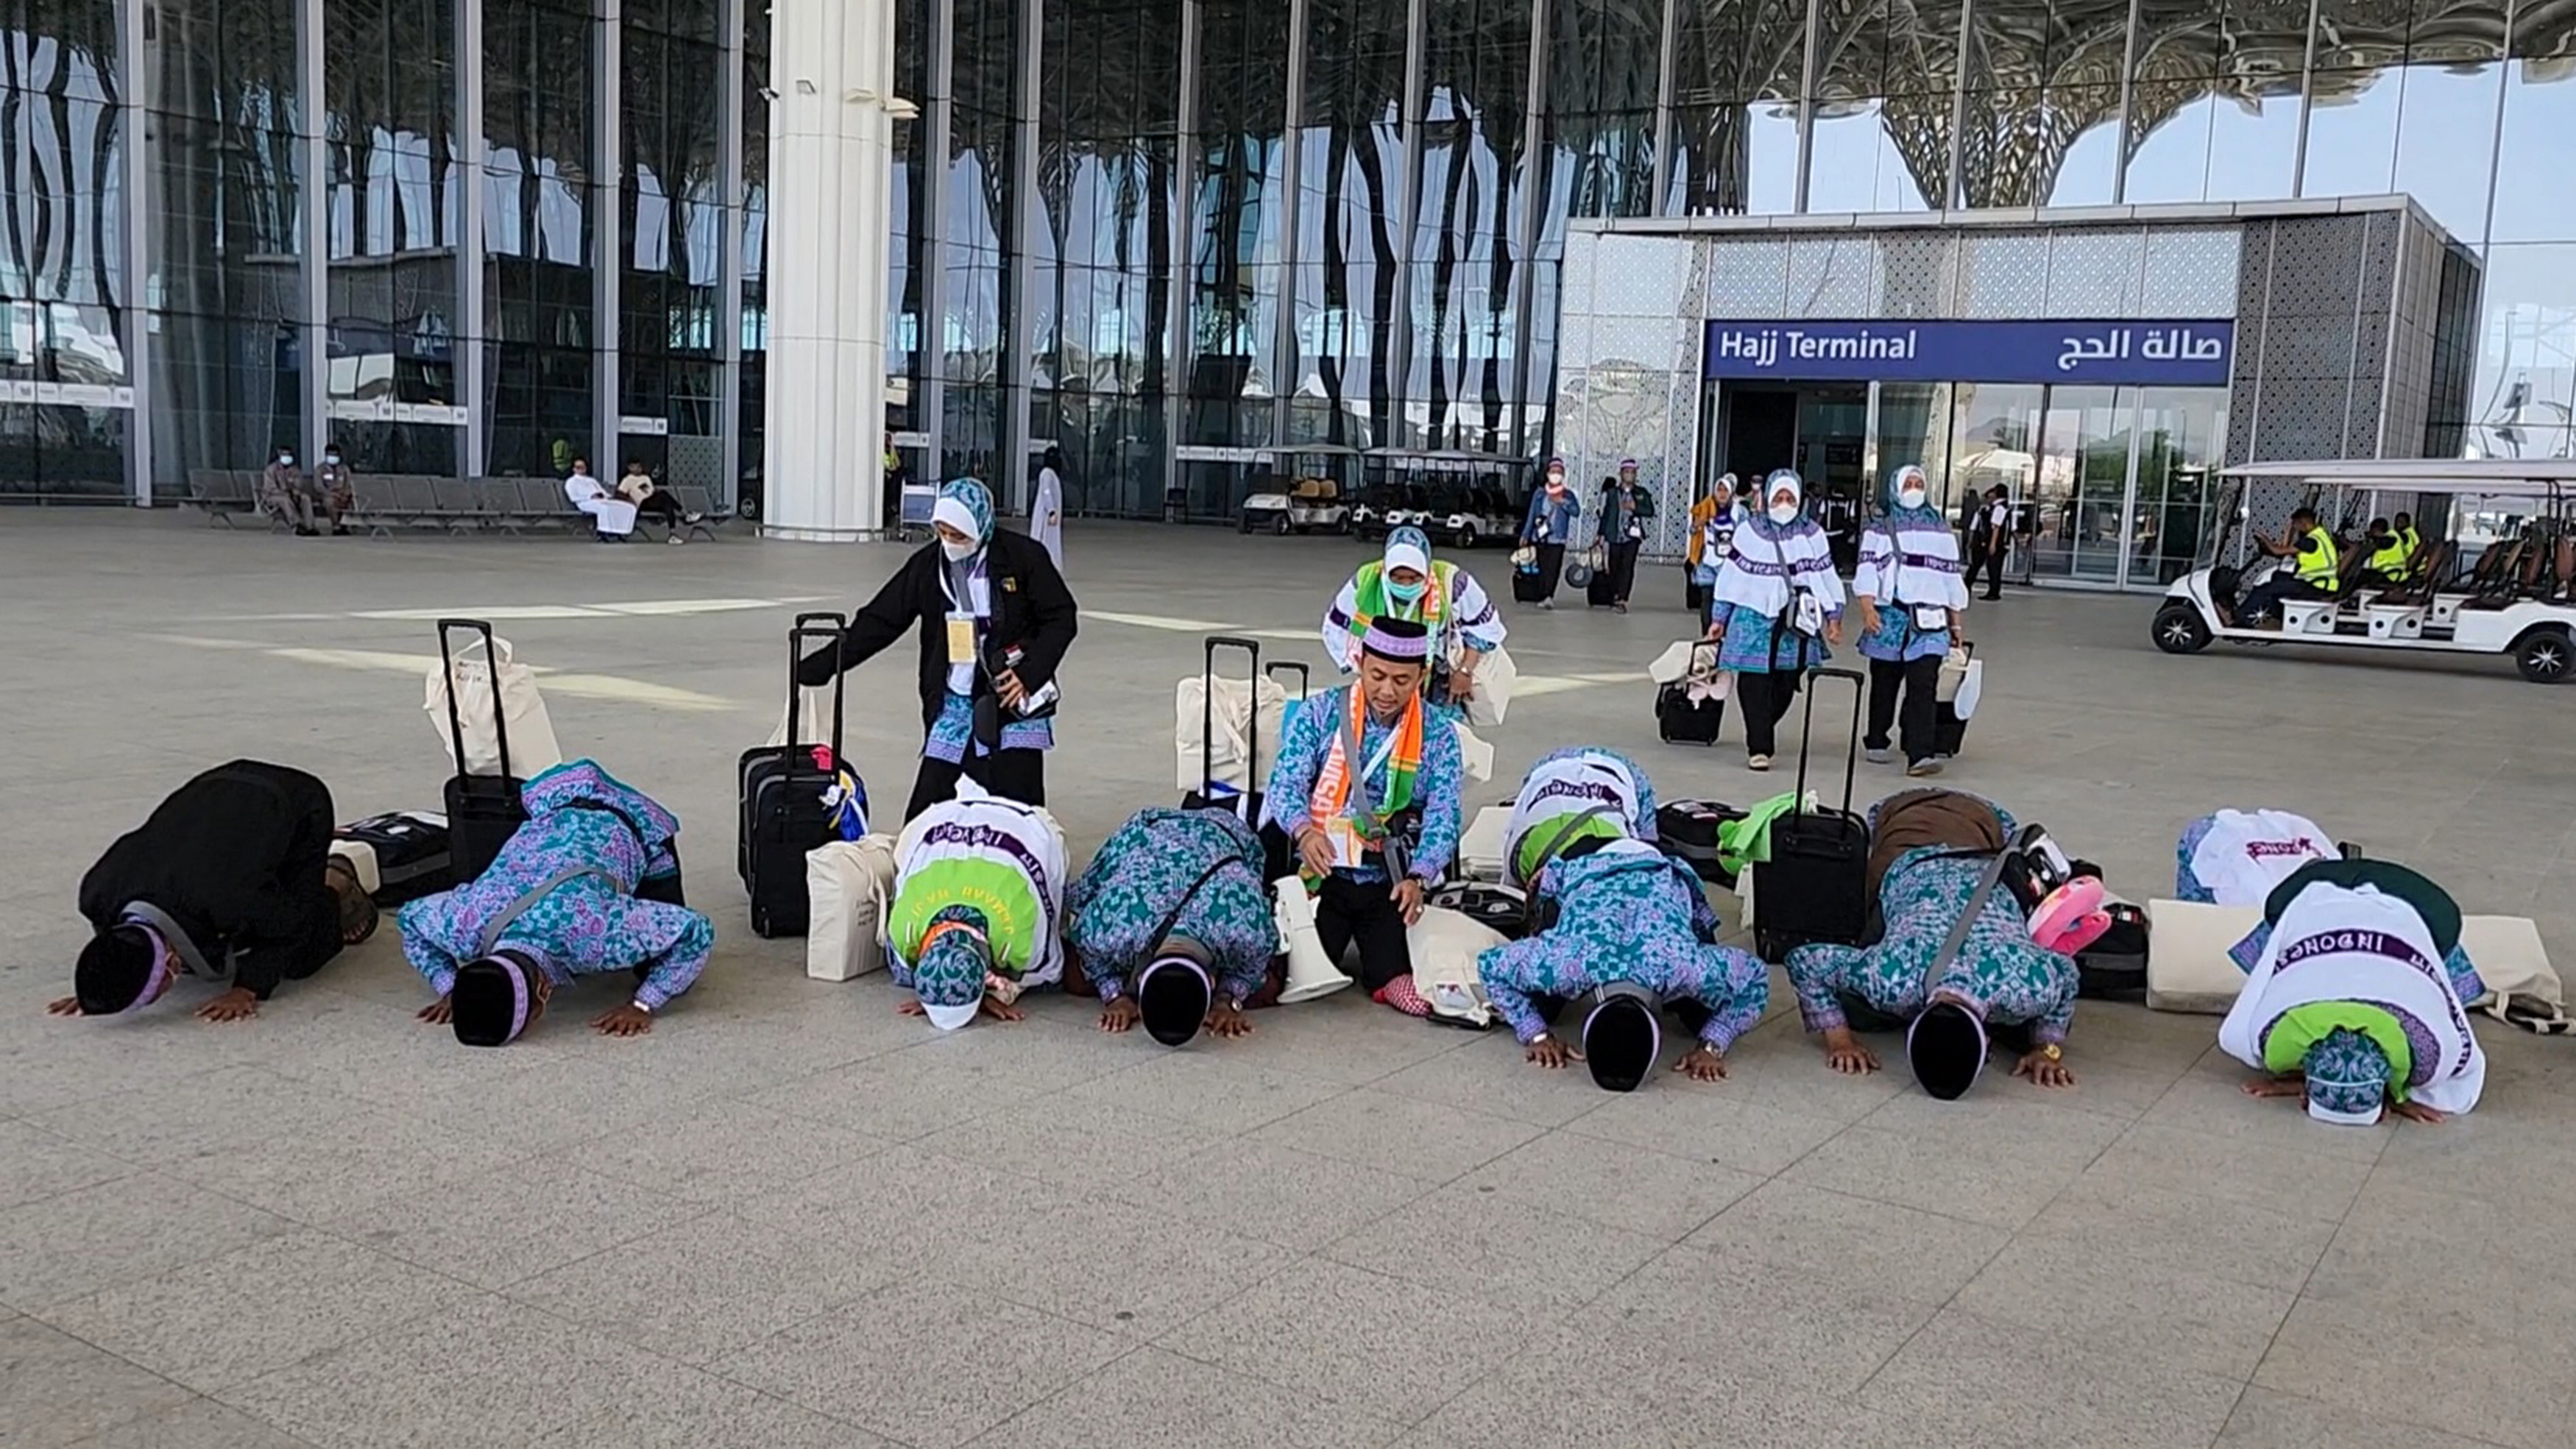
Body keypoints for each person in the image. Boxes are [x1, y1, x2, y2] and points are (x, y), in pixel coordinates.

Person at [798, 477, 1079, 821]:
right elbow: (882, 620)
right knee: (928, 808)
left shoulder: (1023, 558)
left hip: (1012, 700)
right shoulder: (928, 566)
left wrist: (1029, 673)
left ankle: (1022, 867)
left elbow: (1061, 617)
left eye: (959, 535)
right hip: (954, 701)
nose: (949, 543)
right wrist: (825, 664)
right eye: (942, 532)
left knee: (1017, 807)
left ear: (982, 526)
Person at [1785, 791, 2078, 1097]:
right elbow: (1805, 960)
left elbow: (1806, 961)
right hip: (1934, 860)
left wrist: (2048, 1048)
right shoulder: (1891, 980)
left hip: (1964, 860)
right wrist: (1840, 1040)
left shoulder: (2025, 990)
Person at [404, 760, 710, 1045]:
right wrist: (453, 987)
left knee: (660, 967)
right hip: (551, 801)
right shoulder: (464, 923)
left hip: (630, 818)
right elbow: (410, 918)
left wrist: (644, 1003)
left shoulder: (598, 937)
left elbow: (696, 930)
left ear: (542, 992)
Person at [54, 760, 375, 1023]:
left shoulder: (229, 900)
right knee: (243, 916)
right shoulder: (97, 894)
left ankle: (337, 882)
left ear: (168, 964)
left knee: (299, 954)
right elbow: (115, 948)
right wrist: (97, 991)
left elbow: (288, 928)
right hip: (218, 785)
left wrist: (247, 988)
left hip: (295, 799)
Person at [1264, 616, 1464, 1017]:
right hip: (1322, 873)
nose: (1387, 691)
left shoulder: (1439, 734)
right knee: (1290, 965)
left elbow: (1445, 813)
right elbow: (1284, 785)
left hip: (1389, 879)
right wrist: (1304, 832)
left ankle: (1386, 972)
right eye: (1377, 676)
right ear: (1360, 663)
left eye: (1402, 681)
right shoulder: (1320, 713)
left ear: (1421, 676)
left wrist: (1419, 877)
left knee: (1389, 970)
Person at [1478, 830, 1769, 1091]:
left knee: (1701, 1014)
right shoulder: (1568, 964)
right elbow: (1490, 965)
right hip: (1593, 863)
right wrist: (1536, 1034)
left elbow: (1755, 977)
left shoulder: (1679, 967)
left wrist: (1713, 1043)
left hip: (1650, 863)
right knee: (1544, 1005)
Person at [2221, 859, 2485, 1127]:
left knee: (2439, 985)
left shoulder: (2434, 1052)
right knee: (2273, 958)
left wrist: (2399, 1093)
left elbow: (2459, 1078)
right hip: (2338, 892)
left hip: (2412, 898)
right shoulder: (2263, 1035)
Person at [1064, 806, 1275, 1045]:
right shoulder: (1119, 926)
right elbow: (1084, 942)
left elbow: (1261, 953)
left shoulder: (1246, 928)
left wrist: (1229, 1000)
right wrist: (1114, 995)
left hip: (1223, 833)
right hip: (1156, 833)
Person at [883, 780, 1067, 1030]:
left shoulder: (1020, 929)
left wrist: (997, 993)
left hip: (1027, 823)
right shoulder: (902, 928)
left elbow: (1050, 972)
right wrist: (935, 990)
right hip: (940, 817)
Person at [1702, 468, 1844, 771]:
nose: (1783, 502)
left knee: (1786, 681)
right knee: (1753, 680)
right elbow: (1732, 576)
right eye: (1778, 496)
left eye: (1789, 497)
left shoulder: (1813, 535)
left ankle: (1762, 725)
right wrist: (1720, 618)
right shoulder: (1750, 531)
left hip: (1795, 621)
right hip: (1752, 618)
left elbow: (1826, 577)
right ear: (1767, 498)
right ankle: (1760, 745)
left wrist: (1834, 617)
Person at [1853, 463, 1969, 778]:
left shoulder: (1941, 529)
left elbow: (1949, 578)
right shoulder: (1880, 528)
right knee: (1885, 682)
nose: (1915, 488)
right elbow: (1866, 571)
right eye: (1909, 483)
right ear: (1897, 488)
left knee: (1924, 685)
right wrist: (1868, 609)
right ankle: (1877, 737)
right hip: (1891, 616)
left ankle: (1920, 753)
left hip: (1930, 621)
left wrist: (1955, 623)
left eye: (1920, 482)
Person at [1322, 525, 1506, 712]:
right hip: (1384, 682)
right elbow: (1336, 626)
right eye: (1398, 578)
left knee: (1439, 735)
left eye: (1414, 578)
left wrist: (1465, 671)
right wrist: (1368, 673)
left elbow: (1483, 628)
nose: (1406, 584)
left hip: (1438, 681)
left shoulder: (1452, 582)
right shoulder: (1367, 580)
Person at [1498, 745, 1657, 890]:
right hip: (1552, 771)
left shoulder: (1521, 855)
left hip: (1560, 770)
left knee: (1649, 859)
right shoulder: (1521, 853)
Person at [2230, 505, 2340, 626]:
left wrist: (2265, 538)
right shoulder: (2320, 536)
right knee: (2278, 576)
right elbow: (2286, 552)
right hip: (2318, 583)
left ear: (2303, 522)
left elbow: (2278, 551)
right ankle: (2276, 617)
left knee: (2264, 589)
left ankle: (2240, 618)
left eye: (2296, 525)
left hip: (2315, 585)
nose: (2296, 528)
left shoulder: (2310, 541)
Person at [1518, 457, 1582, 609]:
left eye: (1559, 472)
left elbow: (1576, 512)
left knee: (1553, 568)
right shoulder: (1540, 494)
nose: (1556, 475)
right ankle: (1540, 594)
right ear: (1547, 474)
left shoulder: (1568, 495)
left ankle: (1548, 595)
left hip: (1557, 538)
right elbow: (1532, 514)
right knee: (1541, 566)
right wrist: (1525, 534)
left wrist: (1563, 503)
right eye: (1553, 472)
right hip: (1540, 536)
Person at [1594, 460, 1657, 614]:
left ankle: (1622, 598)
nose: (1629, 475)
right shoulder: (1612, 493)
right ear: (1621, 474)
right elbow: (1606, 514)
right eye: (1626, 472)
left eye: (1632, 472)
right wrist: (1600, 534)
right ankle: (1614, 594)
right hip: (1614, 535)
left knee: (1627, 566)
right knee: (1614, 565)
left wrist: (1636, 507)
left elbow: (1650, 511)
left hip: (1632, 536)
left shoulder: (1641, 493)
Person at [1685, 472, 1740, 618]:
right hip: (1708, 560)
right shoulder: (1705, 508)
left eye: (1725, 490)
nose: (1722, 494)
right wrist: (1697, 525)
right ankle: (1706, 633)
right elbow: (1692, 531)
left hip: (1730, 563)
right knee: (1707, 598)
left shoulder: (1739, 512)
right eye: (1719, 490)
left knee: (1724, 600)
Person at [615, 460, 706, 544]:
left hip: (653, 499)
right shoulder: (627, 480)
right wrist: (630, 501)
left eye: (639, 466)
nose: (637, 469)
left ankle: (673, 534)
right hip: (642, 503)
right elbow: (620, 493)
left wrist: (656, 493)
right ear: (629, 468)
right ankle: (685, 515)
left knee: (667, 505)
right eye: (634, 467)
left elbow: (652, 490)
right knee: (664, 495)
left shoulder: (646, 478)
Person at [563, 458, 637, 542]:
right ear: (574, 469)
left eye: (583, 466)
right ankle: (603, 532)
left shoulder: (591, 480)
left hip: (602, 500)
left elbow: (602, 491)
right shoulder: (571, 482)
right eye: (578, 467)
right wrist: (590, 496)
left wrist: (605, 496)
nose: (581, 469)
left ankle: (621, 531)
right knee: (604, 508)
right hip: (585, 502)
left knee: (628, 507)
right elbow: (573, 497)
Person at [1965, 485, 2011, 600]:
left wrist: (1992, 544)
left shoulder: (1997, 508)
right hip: (1991, 542)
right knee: (1992, 568)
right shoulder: (2001, 508)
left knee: (1988, 567)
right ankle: (1992, 590)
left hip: (1988, 542)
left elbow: (1996, 527)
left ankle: (1991, 592)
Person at [261, 447, 319, 535]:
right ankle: (297, 524)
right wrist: (285, 493)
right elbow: (270, 488)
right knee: (285, 500)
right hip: (273, 496)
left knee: (305, 498)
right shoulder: (271, 469)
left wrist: (296, 491)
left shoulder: (295, 470)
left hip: (292, 494)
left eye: (288, 455)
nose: (286, 457)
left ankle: (310, 526)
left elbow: (299, 485)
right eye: (284, 455)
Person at [1031, 445, 1066, 568]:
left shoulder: (1051, 474)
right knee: (1045, 541)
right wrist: (1051, 511)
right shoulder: (1046, 474)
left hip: (1051, 517)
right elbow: (1046, 492)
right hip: (1046, 517)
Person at [2356, 516, 2410, 587]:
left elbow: (2372, 547)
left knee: (2359, 575)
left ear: (2375, 530)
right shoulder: (2394, 536)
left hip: (2390, 575)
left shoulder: (2388, 539)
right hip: (2393, 574)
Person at [314, 444, 355, 535]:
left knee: (353, 502)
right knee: (330, 502)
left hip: (343, 493)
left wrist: (345, 493)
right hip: (329, 494)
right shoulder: (320, 469)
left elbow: (349, 483)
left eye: (335, 455)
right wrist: (331, 494)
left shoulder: (344, 469)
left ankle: (347, 524)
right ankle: (336, 526)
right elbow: (319, 487)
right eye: (330, 455)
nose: (333, 457)